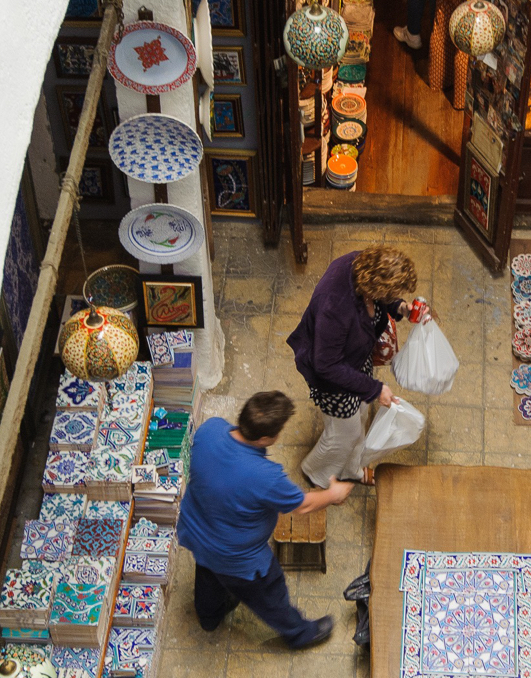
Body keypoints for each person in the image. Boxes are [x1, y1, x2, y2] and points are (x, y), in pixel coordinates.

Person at [176, 391, 355, 648]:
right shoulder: (266, 477)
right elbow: (304, 506)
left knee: (208, 576)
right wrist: (333, 494)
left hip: (198, 534)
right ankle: (300, 633)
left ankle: (209, 618)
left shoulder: (209, 430)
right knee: (270, 595)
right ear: (264, 439)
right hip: (237, 557)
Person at [287, 245, 427, 487]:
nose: (394, 296)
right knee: (344, 433)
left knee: (360, 413)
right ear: (377, 288)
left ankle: (352, 469)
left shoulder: (366, 266)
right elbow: (327, 365)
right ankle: (317, 474)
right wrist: (375, 389)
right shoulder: (335, 307)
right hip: (332, 377)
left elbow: (384, 301)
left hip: (353, 357)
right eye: (392, 293)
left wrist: (401, 307)